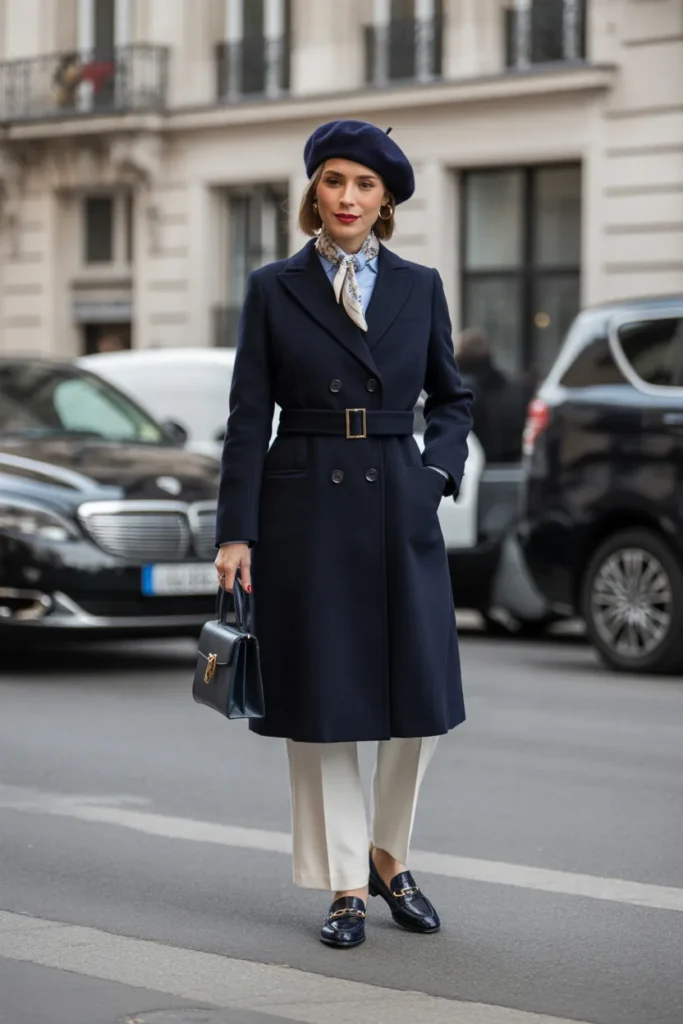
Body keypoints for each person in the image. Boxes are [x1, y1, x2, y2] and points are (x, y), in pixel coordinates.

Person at [214, 119, 473, 949]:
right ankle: (345, 885)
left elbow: (453, 399)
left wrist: (433, 476)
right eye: (334, 180)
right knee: (322, 702)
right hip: (306, 506)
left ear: (385, 198)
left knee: (419, 698)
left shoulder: (420, 286)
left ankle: (389, 855)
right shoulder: (272, 287)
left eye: (364, 184)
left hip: (400, 498)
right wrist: (236, 532)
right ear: (314, 192)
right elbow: (247, 417)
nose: (348, 198)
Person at [455, 327, 527, 463]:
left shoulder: (456, 386)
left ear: (460, 351)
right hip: (509, 463)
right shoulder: (510, 386)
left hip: (471, 464)